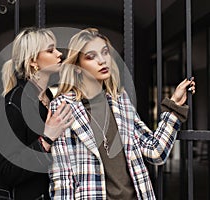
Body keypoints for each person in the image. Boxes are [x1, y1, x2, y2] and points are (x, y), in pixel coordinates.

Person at [48, 28, 196, 199]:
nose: (102, 61)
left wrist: (175, 105)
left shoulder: (120, 100)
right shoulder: (63, 106)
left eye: (105, 53)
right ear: (78, 67)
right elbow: (62, 178)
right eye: (91, 56)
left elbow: (155, 151)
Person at [0, 27, 73, 200]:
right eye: (50, 50)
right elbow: (7, 172)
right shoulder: (13, 103)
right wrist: (46, 140)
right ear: (32, 61)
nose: (59, 54)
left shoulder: (48, 96)